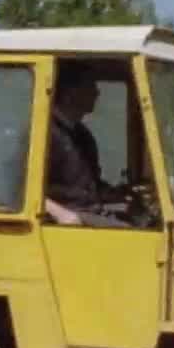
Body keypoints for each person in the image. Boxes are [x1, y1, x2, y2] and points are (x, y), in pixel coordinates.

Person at [43, 63, 127, 228]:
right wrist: (59, 213)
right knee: (132, 235)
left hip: (89, 210)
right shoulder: (44, 134)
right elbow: (18, 190)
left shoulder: (83, 136)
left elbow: (87, 186)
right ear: (69, 93)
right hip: (68, 216)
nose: (97, 93)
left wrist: (118, 194)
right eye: (89, 86)